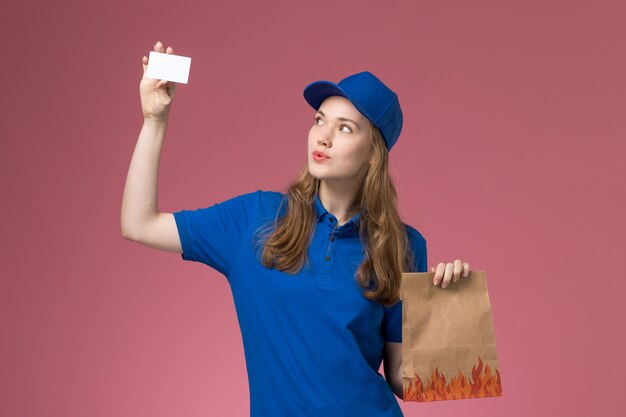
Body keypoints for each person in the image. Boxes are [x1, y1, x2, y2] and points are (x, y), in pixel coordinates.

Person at [121, 41, 472, 417]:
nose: (323, 137)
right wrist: (154, 121)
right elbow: (138, 224)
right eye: (319, 120)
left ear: (374, 153)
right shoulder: (255, 219)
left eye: (345, 128)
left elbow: (407, 382)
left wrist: (449, 312)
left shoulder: (403, 246)